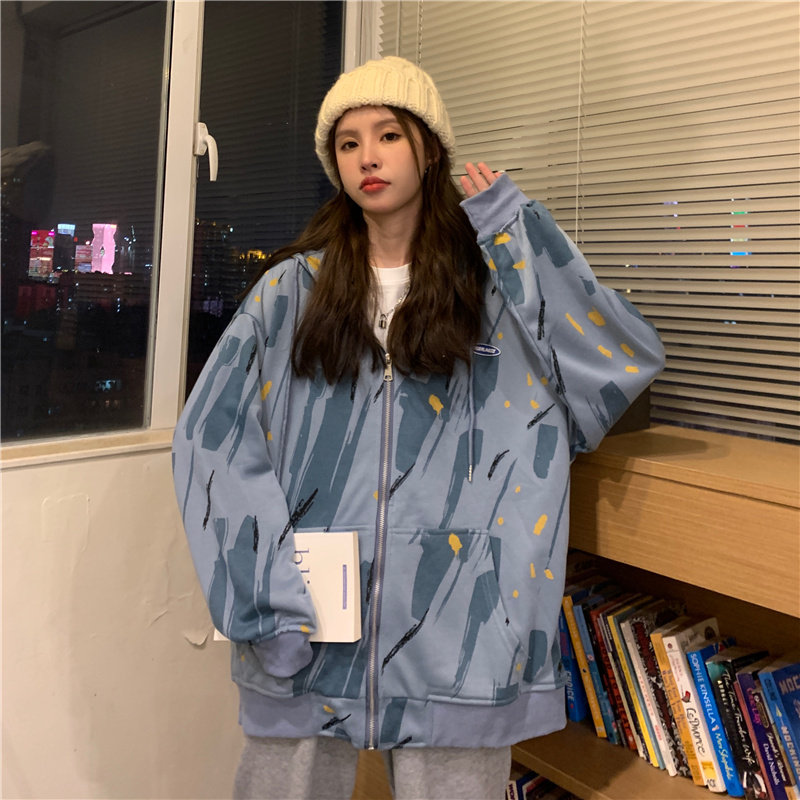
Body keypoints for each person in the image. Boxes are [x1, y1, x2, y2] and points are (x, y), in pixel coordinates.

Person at [172, 56, 665, 799]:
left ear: (429, 149)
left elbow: (617, 365)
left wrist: (521, 239)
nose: (367, 156)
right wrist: (267, 603)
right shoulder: (288, 295)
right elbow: (210, 446)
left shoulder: (495, 291)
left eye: (388, 135)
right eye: (347, 143)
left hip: (463, 641)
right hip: (305, 627)